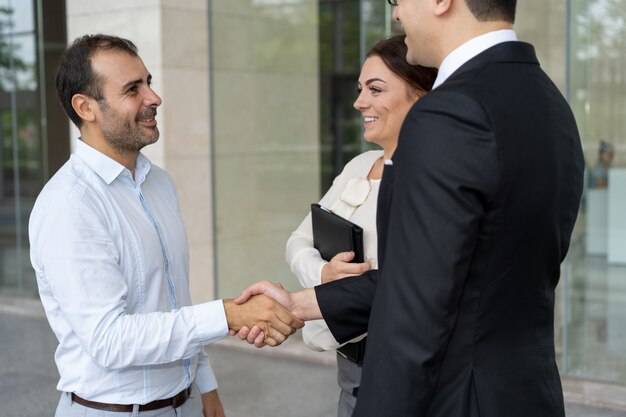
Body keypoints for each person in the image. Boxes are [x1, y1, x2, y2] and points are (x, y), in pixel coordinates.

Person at [235, 0, 585, 416]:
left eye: (397, 0)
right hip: (528, 394)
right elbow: (465, 275)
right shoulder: (548, 102)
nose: (397, 13)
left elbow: (414, 313)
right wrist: (303, 304)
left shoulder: (449, 112)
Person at [29, 34, 303, 417]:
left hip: (186, 401)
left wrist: (205, 386)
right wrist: (229, 315)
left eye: (149, 82)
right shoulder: (69, 205)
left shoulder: (158, 183)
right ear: (85, 107)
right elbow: (110, 340)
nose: (153, 98)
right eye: (132, 89)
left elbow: (173, 301)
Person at [286, 35, 437, 417]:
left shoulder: (434, 179)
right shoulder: (358, 164)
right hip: (349, 368)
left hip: (404, 370)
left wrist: (303, 302)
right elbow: (297, 240)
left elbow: (416, 283)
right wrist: (324, 273)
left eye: (375, 89)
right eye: (359, 89)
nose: (358, 102)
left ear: (419, 95)